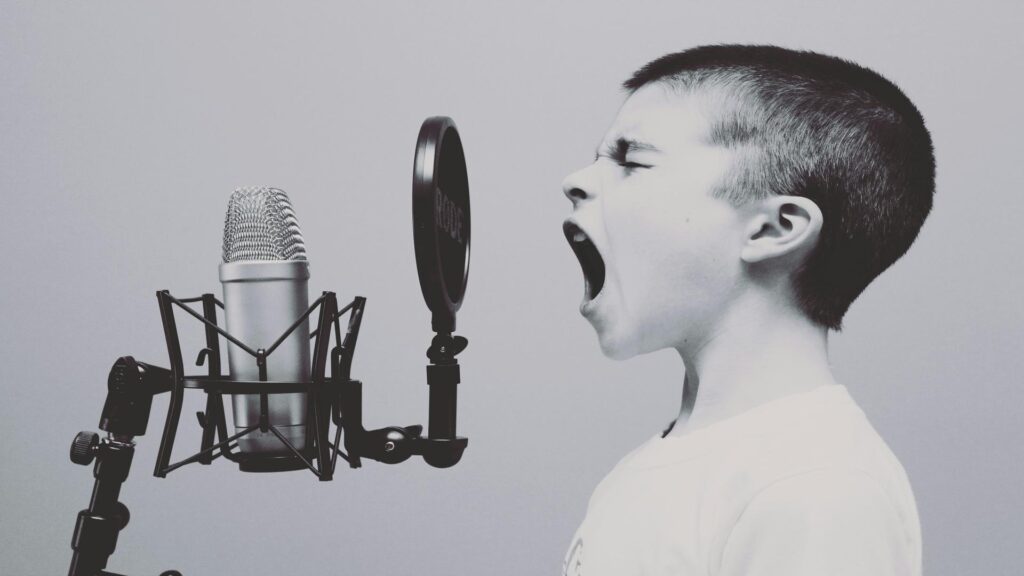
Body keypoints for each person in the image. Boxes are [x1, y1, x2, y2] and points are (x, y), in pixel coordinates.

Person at [560, 45, 934, 576]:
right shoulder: (658, 466)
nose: (576, 180)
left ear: (774, 228)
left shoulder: (816, 486)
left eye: (632, 161)